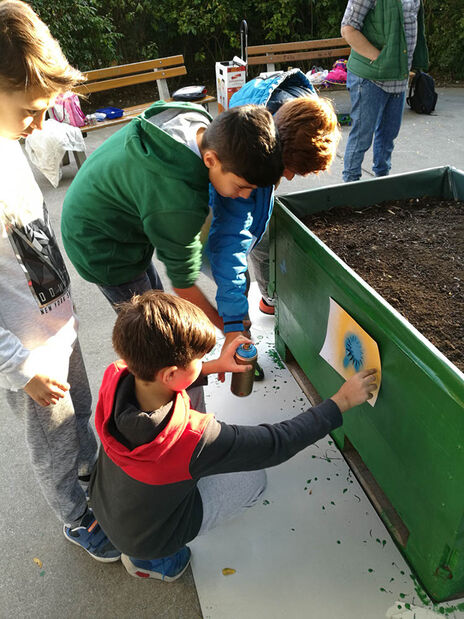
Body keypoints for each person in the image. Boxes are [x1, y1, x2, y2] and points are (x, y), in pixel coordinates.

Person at [89, 291, 377, 581]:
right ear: (171, 374)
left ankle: (131, 540)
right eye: (199, 359)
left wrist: (214, 367)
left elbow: (167, 380)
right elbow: (276, 443)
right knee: (253, 481)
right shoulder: (192, 439)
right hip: (148, 540)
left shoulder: (116, 376)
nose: (204, 360)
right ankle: (154, 562)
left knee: (167, 484)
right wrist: (341, 401)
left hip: (106, 504)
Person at [0, 0, 119, 562]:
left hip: (53, 323)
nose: (40, 123)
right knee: (51, 436)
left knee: (78, 411)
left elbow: (32, 235)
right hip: (22, 350)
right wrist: (19, 370)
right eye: (31, 108)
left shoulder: (9, 144)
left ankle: (92, 478)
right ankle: (75, 515)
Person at [61, 100, 283, 330]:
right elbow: (184, 285)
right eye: (241, 186)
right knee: (152, 328)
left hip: (105, 207)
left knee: (157, 298)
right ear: (210, 160)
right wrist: (227, 329)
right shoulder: (179, 200)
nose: (244, 197)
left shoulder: (196, 121)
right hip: (100, 244)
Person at [207, 75, 340, 356]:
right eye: (288, 168)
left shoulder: (307, 111)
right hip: (243, 171)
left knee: (259, 224)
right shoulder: (249, 162)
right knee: (245, 243)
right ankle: (248, 330)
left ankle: (262, 300)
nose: (290, 176)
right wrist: (233, 325)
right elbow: (230, 247)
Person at [341, 0, 429, 182]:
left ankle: (382, 183)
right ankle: (349, 187)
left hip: (398, 76)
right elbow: (348, 28)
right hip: (369, 77)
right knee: (362, 137)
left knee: (388, 137)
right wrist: (380, 59)